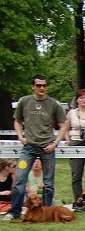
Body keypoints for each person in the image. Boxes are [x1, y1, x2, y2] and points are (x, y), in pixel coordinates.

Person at [5, 75, 67, 221]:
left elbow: (64, 124)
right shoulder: (24, 101)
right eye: (38, 85)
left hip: (47, 148)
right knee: (19, 180)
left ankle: (45, 213)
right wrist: (20, 136)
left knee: (48, 184)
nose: (42, 88)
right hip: (28, 148)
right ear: (33, 86)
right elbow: (17, 121)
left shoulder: (53, 104)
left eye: (44, 85)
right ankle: (14, 212)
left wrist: (55, 143)